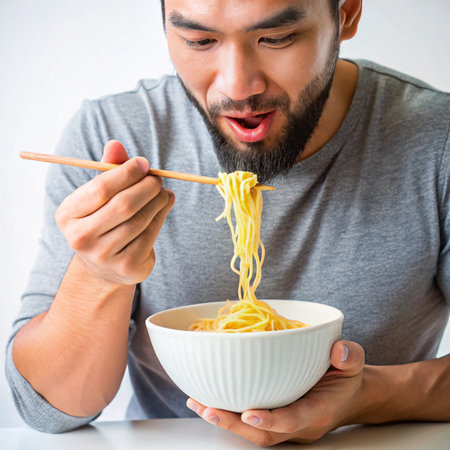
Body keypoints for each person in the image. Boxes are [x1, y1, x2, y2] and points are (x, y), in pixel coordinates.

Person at [6, 0, 450, 445]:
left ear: (346, 14)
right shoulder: (111, 136)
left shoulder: (438, 141)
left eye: (275, 38)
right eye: (199, 41)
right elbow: (48, 409)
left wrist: (367, 397)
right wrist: (98, 275)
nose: (238, 86)